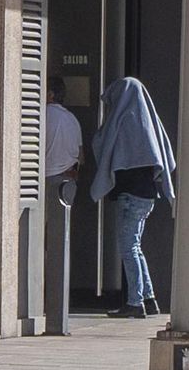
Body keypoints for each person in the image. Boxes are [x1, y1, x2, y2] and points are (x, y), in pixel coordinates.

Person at [91, 77, 176, 319]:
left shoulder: (124, 120)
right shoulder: (149, 121)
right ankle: (149, 299)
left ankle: (135, 302)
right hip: (147, 195)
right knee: (136, 247)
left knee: (128, 248)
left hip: (130, 196)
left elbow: (102, 142)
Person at [45, 76, 83, 209]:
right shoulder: (72, 119)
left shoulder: (41, 115)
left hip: (45, 179)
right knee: (61, 227)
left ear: (50, 94)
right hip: (68, 181)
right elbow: (81, 157)